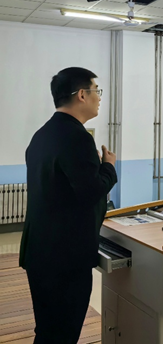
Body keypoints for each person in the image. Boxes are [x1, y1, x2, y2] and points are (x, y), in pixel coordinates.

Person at [20, 67, 118, 343]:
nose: (99, 97)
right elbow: (91, 191)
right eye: (97, 91)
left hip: (40, 251)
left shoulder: (42, 135)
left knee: (48, 330)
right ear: (82, 95)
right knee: (63, 332)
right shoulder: (77, 137)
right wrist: (109, 166)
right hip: (65, 257)